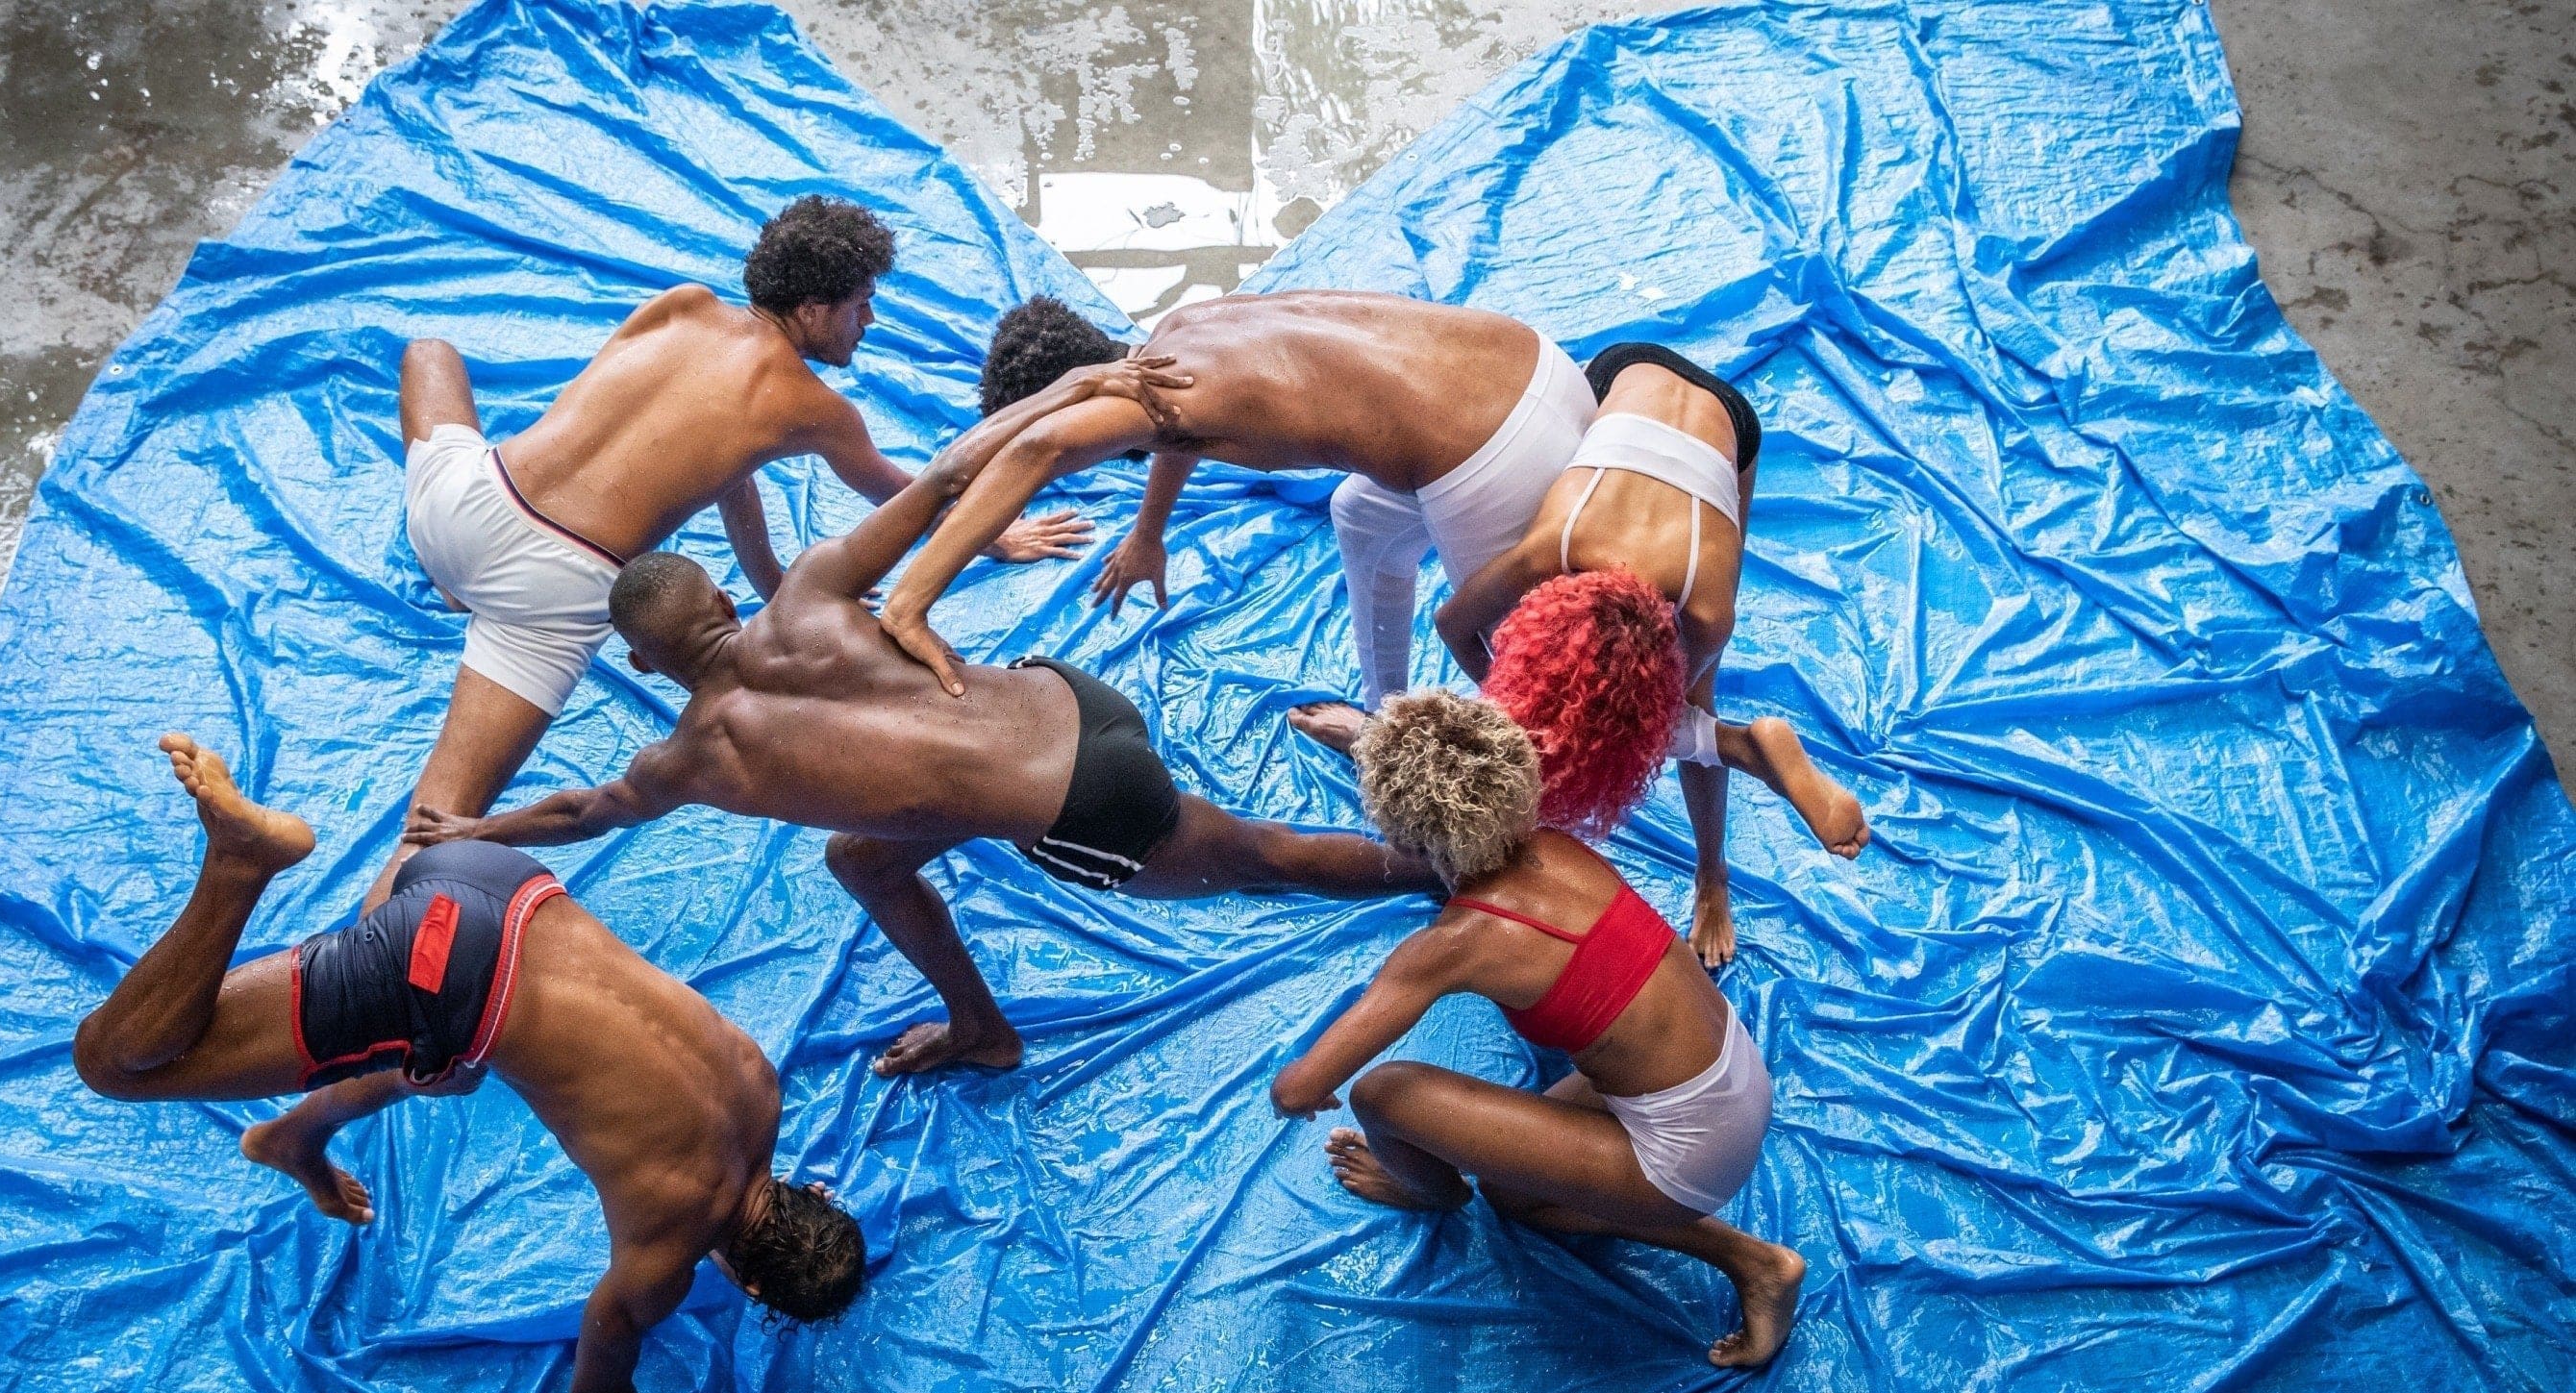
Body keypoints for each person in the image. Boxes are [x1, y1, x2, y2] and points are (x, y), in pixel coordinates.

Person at [400, 358, 1437, 1077]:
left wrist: (470, 826)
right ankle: (980, 1024)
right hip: (1068, 696)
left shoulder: (689, 761)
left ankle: (1453, 872)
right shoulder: (806, 590)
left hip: (1088, 801)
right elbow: (947, 476)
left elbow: (586, 810)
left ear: (636, 660)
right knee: (864, 856)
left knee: (1272, 855)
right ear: (722, 599)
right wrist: (1075, 386)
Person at [70, 734, 861, 1393]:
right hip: (443, 959)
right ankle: (240, 863)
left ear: (812, 1191)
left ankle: (296, 1137)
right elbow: (596, 1388)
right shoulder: (668, 1252)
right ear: (751, 1283)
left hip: (502, 881)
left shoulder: (761, 1090)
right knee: (117, 1063)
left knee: (452, 1055)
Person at [375, 196, 1089, 910]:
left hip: (458, 509)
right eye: (861, 305)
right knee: (438, 824)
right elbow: (915, 496)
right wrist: (996, 536)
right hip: (552, 588)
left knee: (428, 354)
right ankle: (342, 993)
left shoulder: (680, 306)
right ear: (811, 310)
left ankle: (455, 582)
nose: (869, 324)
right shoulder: (816, 408)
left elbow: (725, 471)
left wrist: (775, 584)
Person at [1267, 691, 1804, 1368]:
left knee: (1381, 1093)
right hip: (1732, 1072)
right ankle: (1745, 1255)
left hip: (1688, 1149)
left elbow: (1296, 1091)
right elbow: (1458, 774)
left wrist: (1301, 1084)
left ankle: (1430, 1191)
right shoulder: (1553, 842)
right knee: (1518, 1198)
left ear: (1405, 836)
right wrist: (1365, 737)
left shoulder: (1455, 944)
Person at [864, 292, 1598, 737]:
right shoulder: (1180, 336)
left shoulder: (1147, 402)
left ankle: (1520, 839)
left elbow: (1039, 446)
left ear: (1087, 391)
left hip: (1493, 454)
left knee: (1538, 690)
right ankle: (1388, 722)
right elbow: (1171, 427)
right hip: (1540, 367)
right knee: (1360, 516)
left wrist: (909, 602)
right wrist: (1148, 532)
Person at [1429, 343, 1868, 965]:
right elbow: (1452, 626)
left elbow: (1452, 624)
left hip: (1634, 370)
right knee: (1696, 719)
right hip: (1710, 413)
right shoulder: (1699, 603)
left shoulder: (1550, 548)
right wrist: (1525, 712)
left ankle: (1726, 827)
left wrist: (1509, 705)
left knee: (1687, 726)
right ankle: (1718, 853)